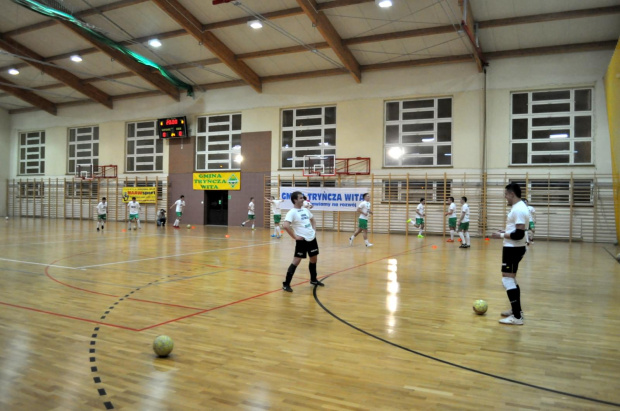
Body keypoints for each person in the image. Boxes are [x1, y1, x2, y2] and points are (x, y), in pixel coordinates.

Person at [491, 182, 529, 325]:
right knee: (511, 278)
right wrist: (505, 232)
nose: (505, 197)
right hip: (513, 247)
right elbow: (516, 230)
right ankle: (516, 310)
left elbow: (519, 234)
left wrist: (501, 236)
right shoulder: (518, 207)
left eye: (506, 194)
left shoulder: (519, 209)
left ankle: (517, 317)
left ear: (512, 194)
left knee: (507, 279)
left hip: (513, 248)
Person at [281, 191, 324, 292]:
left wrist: (314, 230)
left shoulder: (305, 210)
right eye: (301, 198)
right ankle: (286, 284)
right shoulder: (292, 212)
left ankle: (313, 280)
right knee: (296, 261)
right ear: (295, 200)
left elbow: (313, 220)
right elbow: (286, 225)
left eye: (303, 198)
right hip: (302, 240)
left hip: (312, 238)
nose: (303, 200)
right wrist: (295, 237)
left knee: (314, 259)